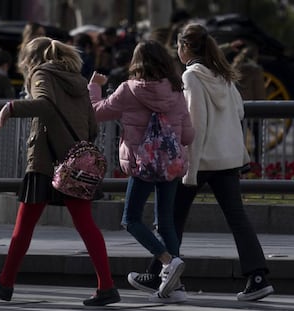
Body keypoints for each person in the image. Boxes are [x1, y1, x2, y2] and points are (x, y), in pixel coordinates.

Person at [0, 37, 120, 307]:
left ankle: (5, 282)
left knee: (25, 225)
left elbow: (45, 105)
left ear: (31, 60)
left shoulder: (42, 74)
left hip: (45, 161)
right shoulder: (76, 79)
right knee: (86, 225)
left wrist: (12, 107)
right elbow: (92, 127)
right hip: (73, 164)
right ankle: (106, 286)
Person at [88, 40, 194, 300]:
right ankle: (176, 286)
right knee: (166, 221)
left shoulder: (128, 90)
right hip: (170, 164)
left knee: (130, 219)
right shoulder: (176, 90)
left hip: (142, 163)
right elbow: (189, 135)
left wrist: (94, 87)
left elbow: (95, 112)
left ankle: (168, 261)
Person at [173, 23, 272, 301]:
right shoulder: (223, 74)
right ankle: (257, 276)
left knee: (173, 216)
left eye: (178, 46)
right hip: (227, 160)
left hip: (202, 160)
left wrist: (190, 170)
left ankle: (163, 272)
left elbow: (196, 125)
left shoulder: (192, 76)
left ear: (184, 47)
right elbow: (239, 110)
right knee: (237, 218)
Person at [232, 42, 267, 163]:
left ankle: (239, 163)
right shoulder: (256, 70)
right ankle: (257, 163)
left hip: (238, 109)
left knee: (238, 140)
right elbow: (259, 91)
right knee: (258, 141)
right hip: (255, 109)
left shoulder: (234, 67)